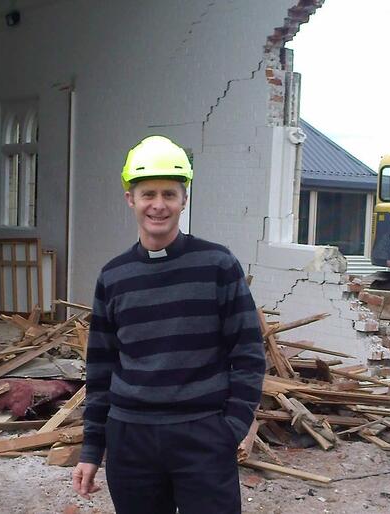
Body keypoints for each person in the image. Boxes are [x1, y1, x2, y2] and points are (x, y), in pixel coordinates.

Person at [72, 135, 265, 514]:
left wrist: (229, 431)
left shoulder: (217, 265)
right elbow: (99, 371)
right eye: (147, 194)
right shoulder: (114, 276)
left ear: (184, 199)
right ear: (130, 199)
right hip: (130, 441)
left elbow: (248, 353)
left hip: (203, 436)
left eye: (169, 194)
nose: (158, 205)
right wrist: (92, 449)